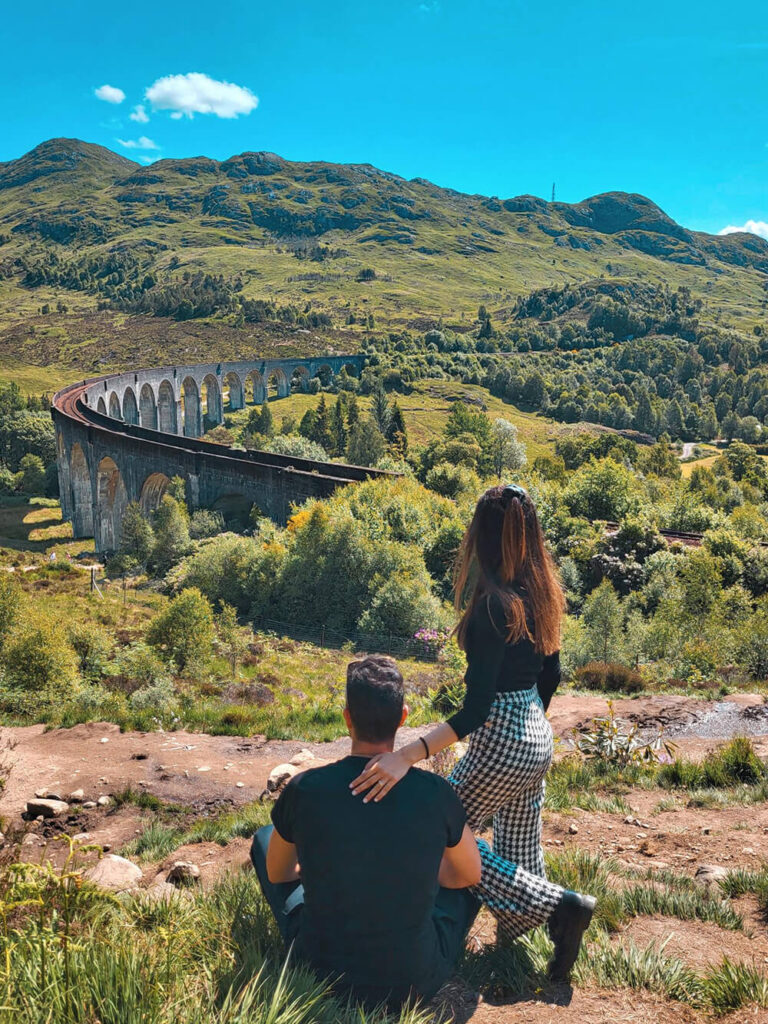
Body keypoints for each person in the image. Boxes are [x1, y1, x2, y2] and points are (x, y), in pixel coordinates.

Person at [251, 655, 590, 1009]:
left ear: (346, 717)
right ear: (403, 717)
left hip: (320, 973)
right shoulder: (436, 792)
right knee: (471, 863)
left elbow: (278, 873)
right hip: (416, 980)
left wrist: (319, 866)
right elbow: (469, 875)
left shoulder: (304, 788)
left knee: (264, 839)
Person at [350, 485, 595, 968]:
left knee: (433, 829)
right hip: (536, 732)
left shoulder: (492, 607)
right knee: (519, 841)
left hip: (504, 733)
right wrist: (529, 730)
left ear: (481, 539)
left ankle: (560, 908)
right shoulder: (541, 593)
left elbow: (475, 711)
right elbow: (552, 674)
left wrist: (406, 755)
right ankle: (517, 948)